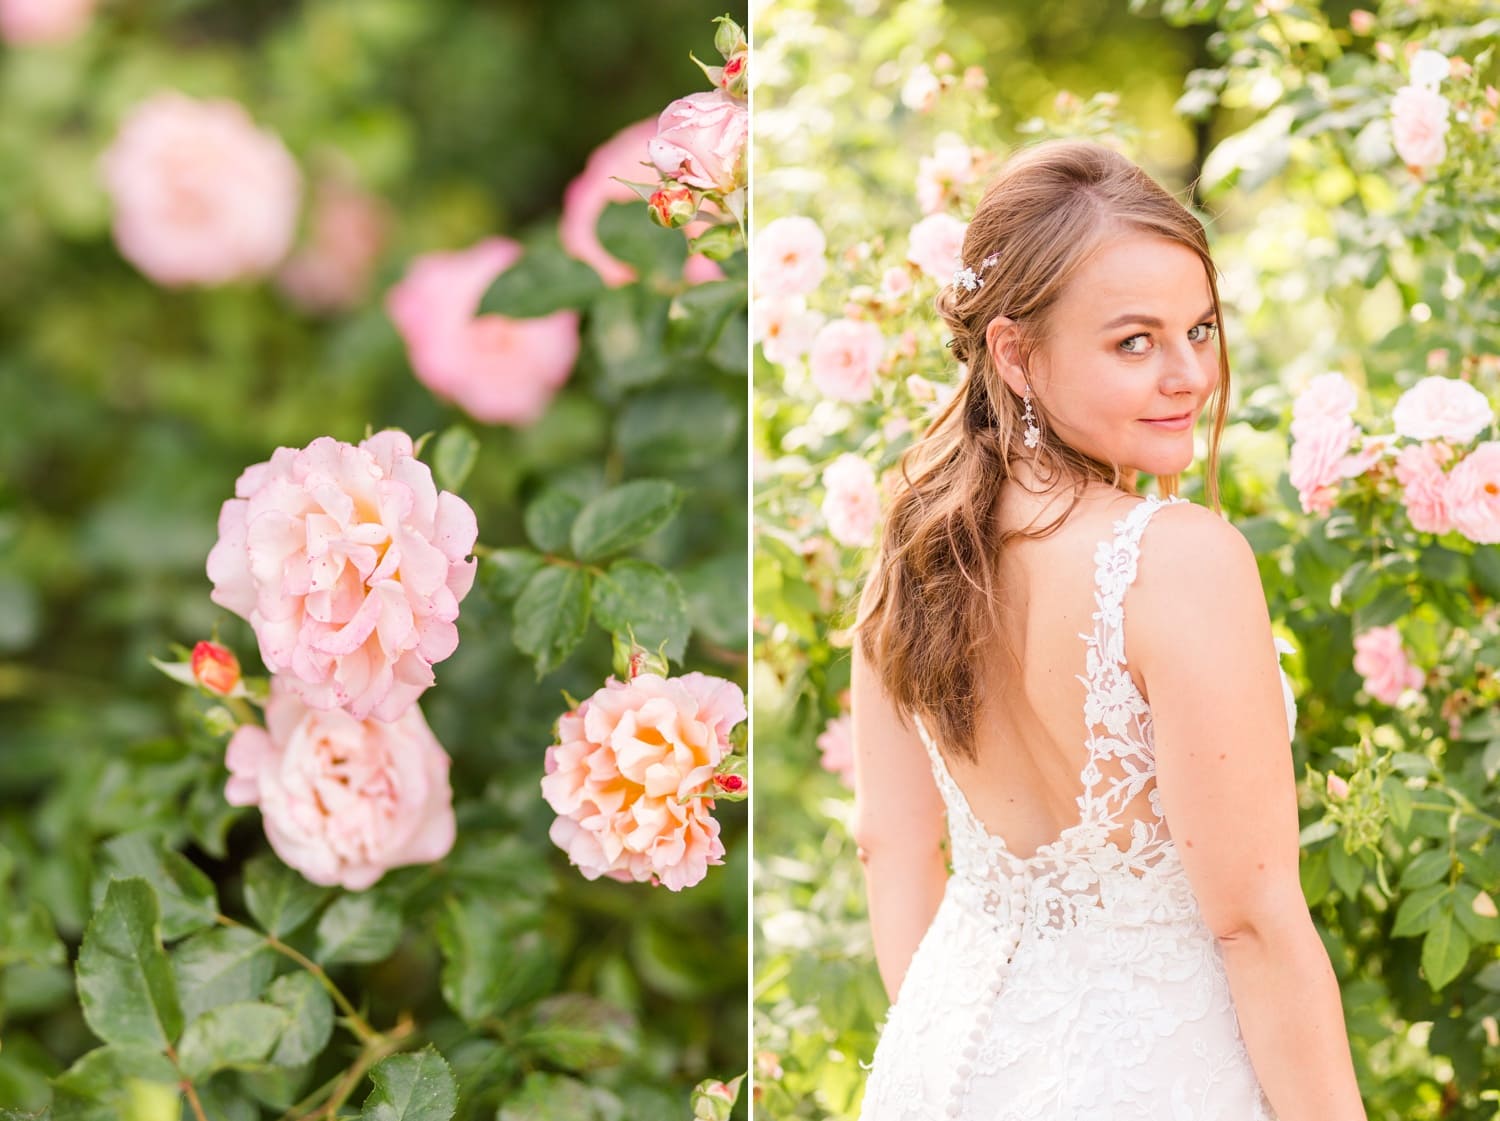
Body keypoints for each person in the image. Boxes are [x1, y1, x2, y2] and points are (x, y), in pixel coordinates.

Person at [849, 139, 1366, 1121]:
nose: (1189, 376)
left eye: (1200, 329)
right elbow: (1254, 922)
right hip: (1154, 1081)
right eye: (1135, 341)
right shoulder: (1181, 557)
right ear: (1015, 353)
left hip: (939, 1061)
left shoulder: (912, 528)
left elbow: (890, 844)